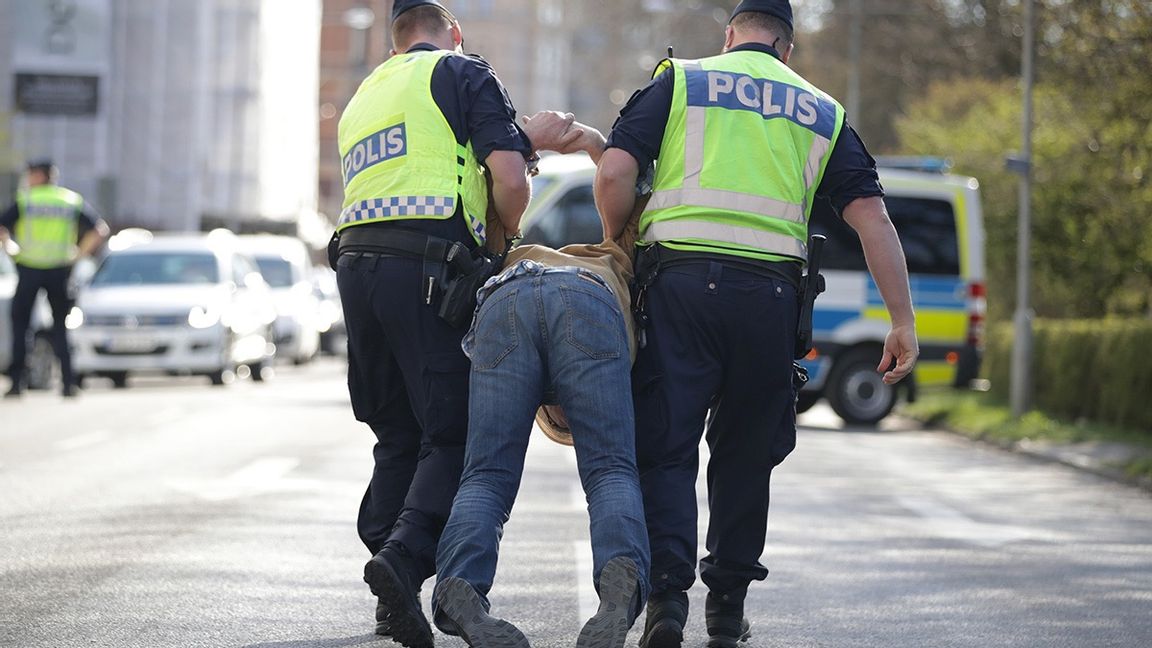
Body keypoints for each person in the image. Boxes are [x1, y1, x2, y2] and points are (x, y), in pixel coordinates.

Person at [593, 1, 920, 646]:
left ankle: (667, 605)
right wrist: (902, 321)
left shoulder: (683, 80)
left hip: (678, 290)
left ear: (730, 37)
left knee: (667, 445)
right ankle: (726, 611)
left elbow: (613, 170)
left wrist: (616, 241)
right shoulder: (822, 111)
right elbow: (872, 219)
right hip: (769, 301)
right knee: (744, 456)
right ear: (788, 50)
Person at [332, 2, 575, 646]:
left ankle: (393, 598)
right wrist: (508, 237)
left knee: (396, 431)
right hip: (428, 269)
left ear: (392, 43)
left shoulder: (367, 93)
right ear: (453, 33)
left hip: (356, 268)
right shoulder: (463, 72)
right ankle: (403, 558)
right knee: (456, 430)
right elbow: (508, 177)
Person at [431, 128, 650, 648]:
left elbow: (491, 206)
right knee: (611, 469)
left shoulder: (519, 252)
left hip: (506, 296)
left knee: (485, 475)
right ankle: (620, 590)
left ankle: (460, 583)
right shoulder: (613, 260)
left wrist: (530, 144)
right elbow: (638, 203)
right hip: (590, 299)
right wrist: (599, 146)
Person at [0, 159, 107, 398]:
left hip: (28, 267)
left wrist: (11, 249)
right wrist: (78, 255)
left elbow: (2, 227)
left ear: (40, 176)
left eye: (30, 175)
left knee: (21, 325)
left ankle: (17, 383)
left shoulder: (26, 200)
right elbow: (99, 230)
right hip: (59, 269)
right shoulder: (69, 200)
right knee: (60, 326)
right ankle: (68, 383)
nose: (28, 179)